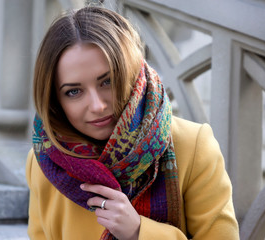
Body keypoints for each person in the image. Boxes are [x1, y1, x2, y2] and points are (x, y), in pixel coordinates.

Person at [25, 6, 239, 240]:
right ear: (55, 101)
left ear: (132, 74)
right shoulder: (45, 161)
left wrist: (139, 231)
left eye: (107, 82)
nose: (97, 105)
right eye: (74, 91)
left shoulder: (192, 145)